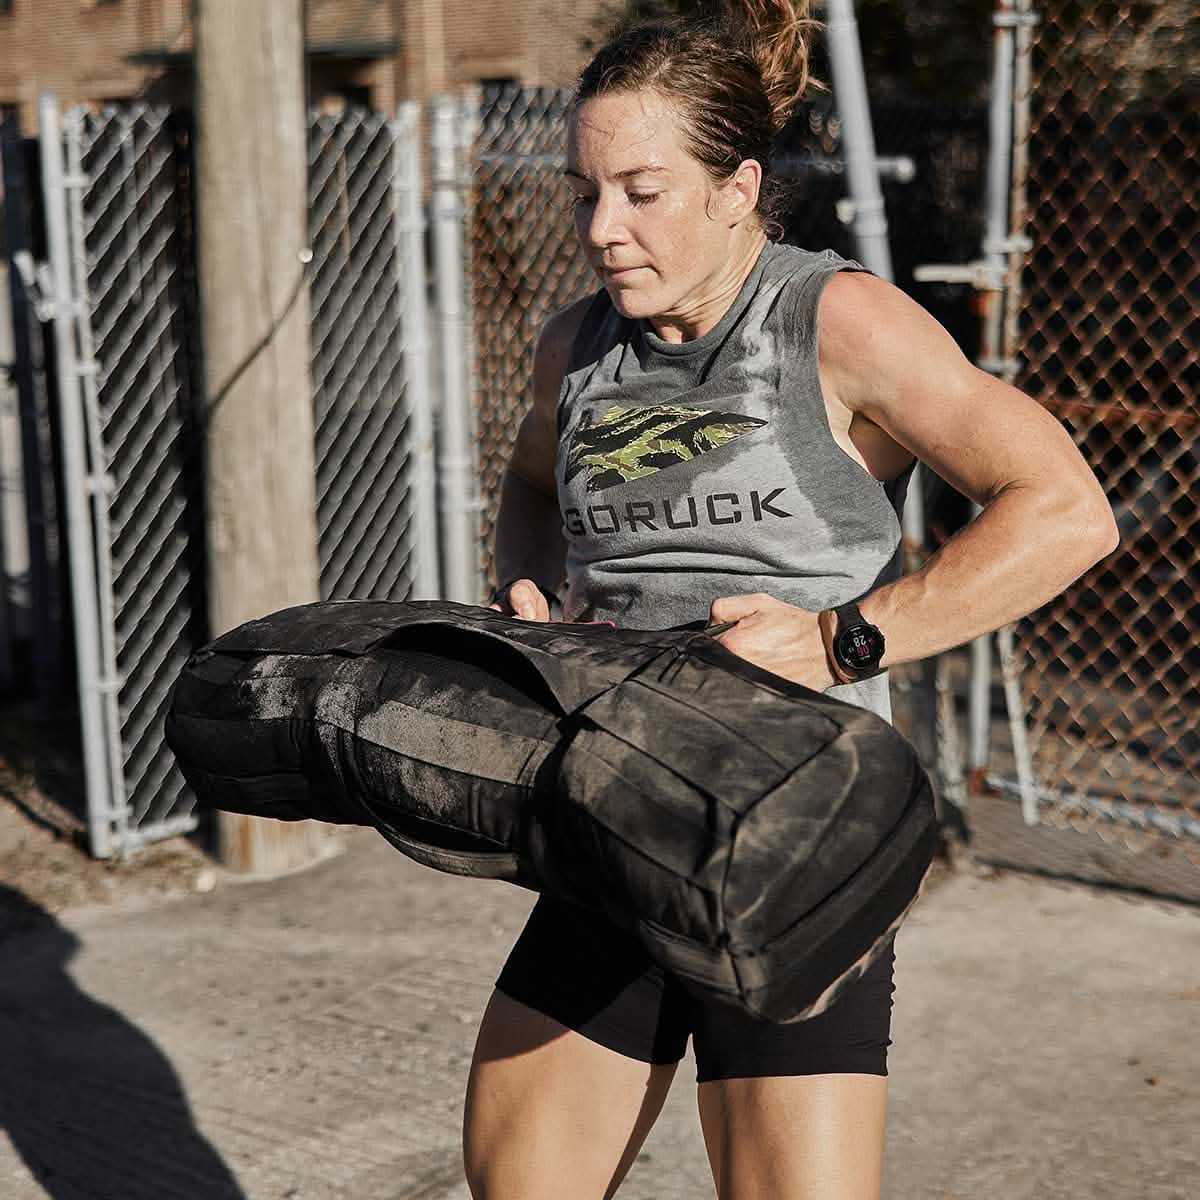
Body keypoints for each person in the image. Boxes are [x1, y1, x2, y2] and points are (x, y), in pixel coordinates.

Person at [463, 3, 1118, 1197]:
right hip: (608, 816)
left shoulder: (835, 321)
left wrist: (844, 638)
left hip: (795, 846)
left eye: (641, 192)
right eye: (585, 192)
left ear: (738, 189)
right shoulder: (577, 347)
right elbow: (531, 484)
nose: (602, 229)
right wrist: (529, 583)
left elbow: (1067, 510)